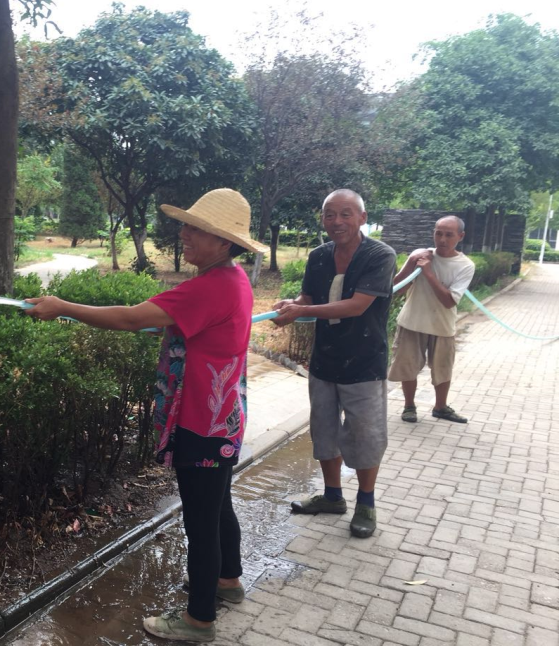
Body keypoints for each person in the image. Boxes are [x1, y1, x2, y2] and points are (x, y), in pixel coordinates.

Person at [25, 188, 265, 643]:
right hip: (225, 419)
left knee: (200, 520)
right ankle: (228, 581)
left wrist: (61, 307)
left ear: (224, 243)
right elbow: (179, 323)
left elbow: (131, 318)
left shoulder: (208, 287)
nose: (185, 233)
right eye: (187, 224)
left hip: (201, 422)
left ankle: (198, 621)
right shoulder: (233, 279)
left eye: (198, 229)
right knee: (218, 505)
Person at [272, 189, 396, 539]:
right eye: (329, 214)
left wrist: (303, 309)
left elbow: (357, 305)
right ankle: (332, 497)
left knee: (366, 434)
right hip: (325, 360)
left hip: (365, 362)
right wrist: (290, 305)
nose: (336, 221)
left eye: (345, 214)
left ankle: (366, 503)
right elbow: (308, 298)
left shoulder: (380, 255)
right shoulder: (319, 256)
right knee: (324, 429)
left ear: (362, 217)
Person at [388, 215, 475, 423]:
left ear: (460, 236)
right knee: (407, 366)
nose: (442, 239)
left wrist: (428, 273)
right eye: (438, 233)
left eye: (449, 235)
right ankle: (409, 406)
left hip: (442, 325)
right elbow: (395, 289)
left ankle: (440, 407)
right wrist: (411, 262)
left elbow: (449, 301)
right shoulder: (421, 257)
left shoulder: (465, 265)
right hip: (412, 322)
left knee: (442, 368)